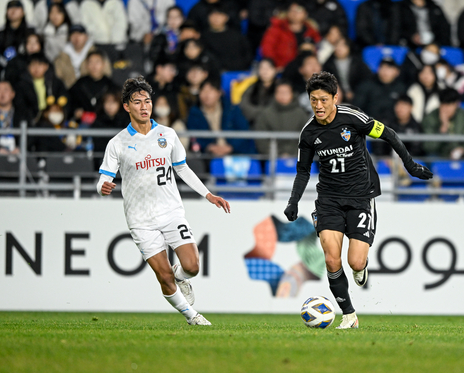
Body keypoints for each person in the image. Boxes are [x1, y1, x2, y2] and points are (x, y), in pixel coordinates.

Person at [283, 71, 432, 329]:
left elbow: (389, 134)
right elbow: (303, 171)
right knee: (331, 258)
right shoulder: (308, 134)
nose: (318, 105)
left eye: (323, 100)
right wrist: (293, 201)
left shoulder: (353, 118)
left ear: (334, 98)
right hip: (328, 198)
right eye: (313, 100)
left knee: (355, 261)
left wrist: (410, 166)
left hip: (361, 196)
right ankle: (349, 314)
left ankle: (360, 268)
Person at [96, 76, 230, 326]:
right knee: (164, 275)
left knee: (192, 266)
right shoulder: (117, 143)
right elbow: (103, 177)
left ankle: (183, 279)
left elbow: (183, 168)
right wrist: (102, 187)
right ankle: (192, 317)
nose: (144, 106)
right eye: (137, 102)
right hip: (140, 220)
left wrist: (208, 194)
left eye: (147, 101)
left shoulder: (167, 135)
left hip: (171, 212)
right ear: (127, 106)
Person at [186, 78, 256, 156]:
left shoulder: (231, 109)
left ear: (219, 93)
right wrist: (209, 147)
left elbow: (243, 130)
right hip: (207, 155)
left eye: (210, 90)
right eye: (203, 90)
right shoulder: (194, 113)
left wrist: (231, 147)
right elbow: (193, 136)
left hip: (234, 152)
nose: (206, 94)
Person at [254, 79, 310, 156]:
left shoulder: (301, 114)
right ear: (275, 94)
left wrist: (294, 154)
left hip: (298, 158)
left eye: (286, 92)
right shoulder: (266, 114)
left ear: (292, 94)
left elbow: (308, 139)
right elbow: (261, 140)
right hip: (272, 158)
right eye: (280, 92)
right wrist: (278, 154)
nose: (283, 95)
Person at [260, 1, 321, 70]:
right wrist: (274, 67)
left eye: (298, 10)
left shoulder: (312, 31)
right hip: (280, 69)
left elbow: (319, 52)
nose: (294, 13)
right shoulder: (277, 28)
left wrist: (313, 50)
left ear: (305, 13)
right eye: (291, 10)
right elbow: (267, 49)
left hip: (304, 71)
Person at [421, 88, 464, 159]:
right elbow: (428, 147)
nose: (445, 109)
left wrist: (463, 150)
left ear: (456, 104)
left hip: (463, 156)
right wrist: (443, 129)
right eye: (443, 104)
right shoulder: (430, 118)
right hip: (439, 156)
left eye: (449, 105)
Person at [201, 4, 252, 72]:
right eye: (212, 15)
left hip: (237, 73)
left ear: (226, 17)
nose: (216, 18)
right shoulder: (203, 37)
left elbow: (248, 55)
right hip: (214, 73)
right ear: (207, 17)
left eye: (219, 15)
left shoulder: (237, 36)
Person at [239, 57, 278, 122]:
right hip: (254, 122)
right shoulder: (252, 87)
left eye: (268, 68)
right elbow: (244, 105)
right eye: (262, 68)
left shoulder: (280, 87)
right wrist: (262, 114)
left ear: (274, 70)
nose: (265, 71)